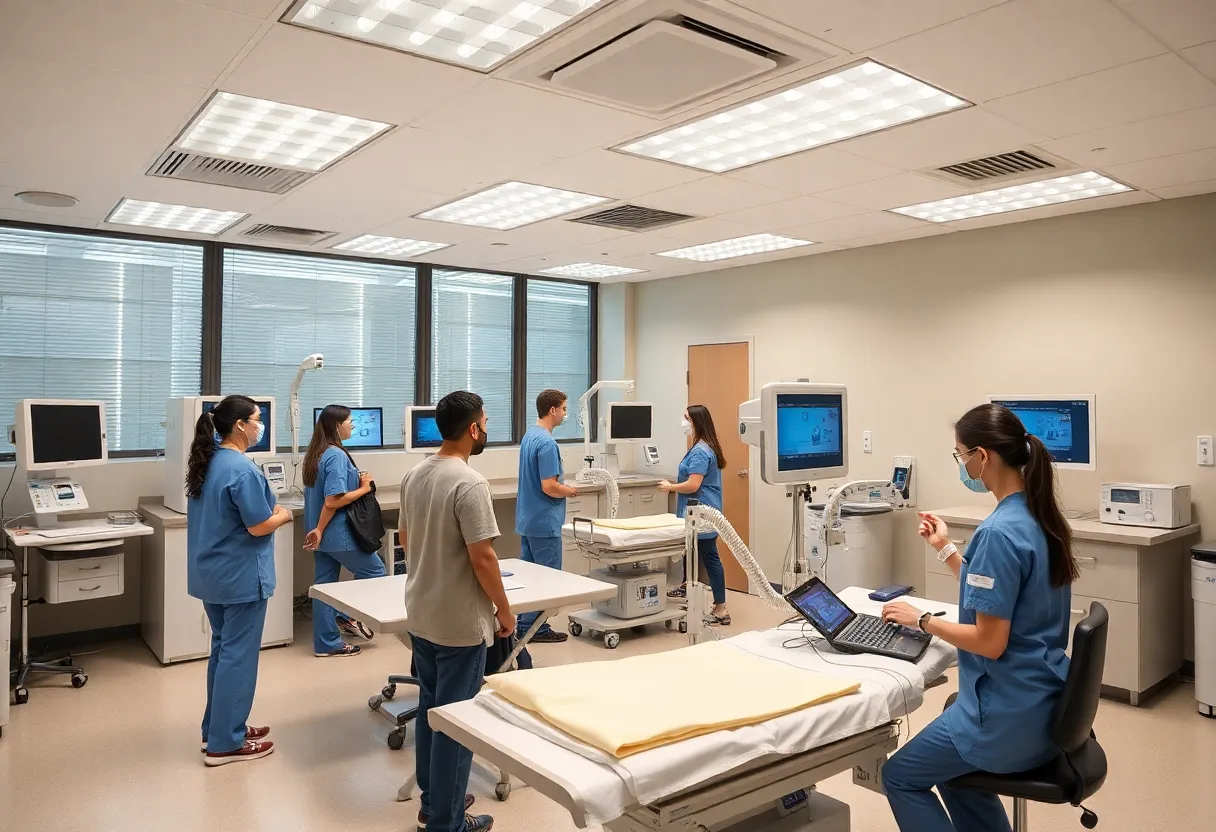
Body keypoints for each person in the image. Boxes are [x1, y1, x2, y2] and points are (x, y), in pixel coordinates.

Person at [878, 403, 1079, 832]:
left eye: (959, 455)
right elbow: (1004, 596)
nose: (961, 465)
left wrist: (922, 619)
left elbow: (990, 642)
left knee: (899, 777)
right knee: (953, 775)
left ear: (982, 457)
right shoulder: (1041, 516)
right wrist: (946, 550)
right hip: (1044, 703)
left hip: (1006, 720)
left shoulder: (997, 532)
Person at [399, 391, 512, 832]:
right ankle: (447, 822)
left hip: (422, 614)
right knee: (458, 723)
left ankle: (433, 802)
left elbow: (407, 540)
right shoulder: (470, 483)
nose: (485, 428)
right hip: (460, 624)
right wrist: (504, 610)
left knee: (431, 711)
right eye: (484, 421)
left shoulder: (415, 475)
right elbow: (482, 557)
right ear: (473, 429)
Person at [186, 395, 294, 766]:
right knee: (238, 657)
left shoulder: (208, 462)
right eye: (257, 418)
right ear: (240, 426)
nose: (260, 425)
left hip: (213, 575)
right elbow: (258, 524)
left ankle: (217, 728)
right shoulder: (241, 469)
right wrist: (282, 516)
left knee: (222, 652)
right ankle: (225, 744)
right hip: (240, 577)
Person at [302, 404, 385, 658]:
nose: (353, 426)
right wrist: (364, 487)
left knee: (324, 586)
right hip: (336, 533)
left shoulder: (316, 453)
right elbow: (333, 500)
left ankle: (327, 644)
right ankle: (346, 616)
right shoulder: (336, 455)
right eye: (350, 422)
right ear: (337, 426)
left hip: (320, 535)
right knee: (375, 570)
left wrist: (317, 529)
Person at [514, 388, 578, 644]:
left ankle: (525, 624)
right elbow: (549, 486)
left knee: (529, 577)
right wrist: (571, 491)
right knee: (546, 578)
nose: (564, 413)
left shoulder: (530, 436)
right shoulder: (547, 443)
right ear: (553, 410)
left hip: (529, 520)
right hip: (545, 522)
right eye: (563, 408)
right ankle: (536, 629)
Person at [660, 405, 730, 624]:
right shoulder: (703, 446)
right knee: (695, 554)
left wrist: (670, 487)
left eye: (686, 418)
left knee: (709, 556)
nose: (683, 423)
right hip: (700, 511)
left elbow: (692, 484)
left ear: (696, 422)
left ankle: (720, 607)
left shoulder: (700, 451)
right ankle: (691, 594)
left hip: (701, 512)